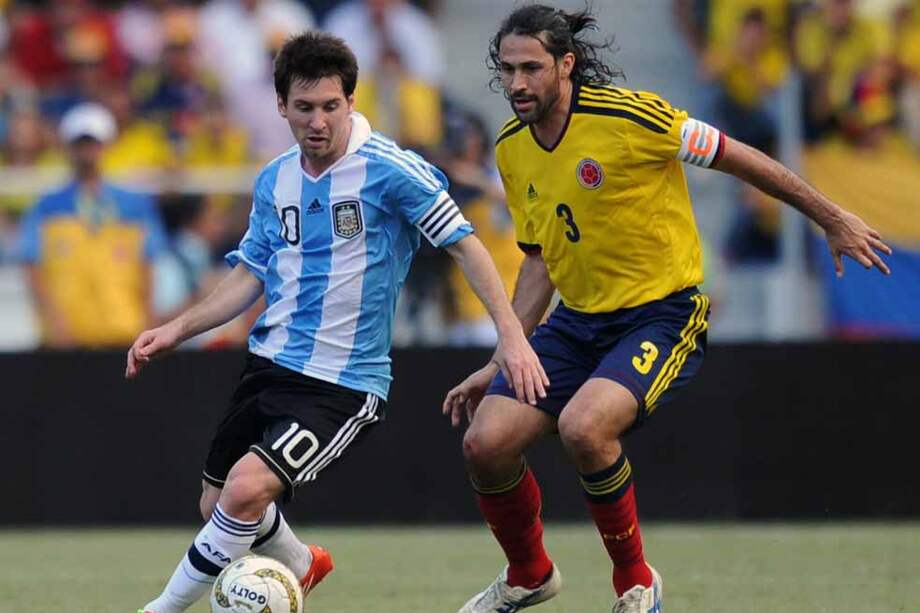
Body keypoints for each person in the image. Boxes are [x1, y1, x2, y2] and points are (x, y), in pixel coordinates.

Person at [443, 5, 892, 613]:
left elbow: (742, 156)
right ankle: (529, 574)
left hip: (660, 313)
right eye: (507, 69)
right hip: (576, 323)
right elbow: (540, 259)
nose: (517, 83)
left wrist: (832, 218)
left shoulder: (632, 116)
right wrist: (506, 352)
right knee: (485, 443)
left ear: (566, 65)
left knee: (584, 427)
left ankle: (635, 583)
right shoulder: (512, 148)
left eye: (531, 68)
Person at [126, 31, 546, 613]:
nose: (317, 120)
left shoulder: (392, 170)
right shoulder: (276, 179)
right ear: (282, 107)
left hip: (342, 383)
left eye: (330, 105)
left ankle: (161, 610)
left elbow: (466, 245)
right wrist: (177, 328)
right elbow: (251, 272)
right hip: (269, 365)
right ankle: (299, 563)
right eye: (304, 108)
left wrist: (512, 338)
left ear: (351, 101)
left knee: (246, 493)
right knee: (217, 502)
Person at [19, 102, 166, 348]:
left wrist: (148, 320)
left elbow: (148, 266)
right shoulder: (46, 207)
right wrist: (54, 322)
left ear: (106, 145)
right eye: (81, 143)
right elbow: (32, 267)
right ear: (68, 147)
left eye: (93, 142)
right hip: (66, 339)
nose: (87, 150)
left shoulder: (135, 206)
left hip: (124, 331)